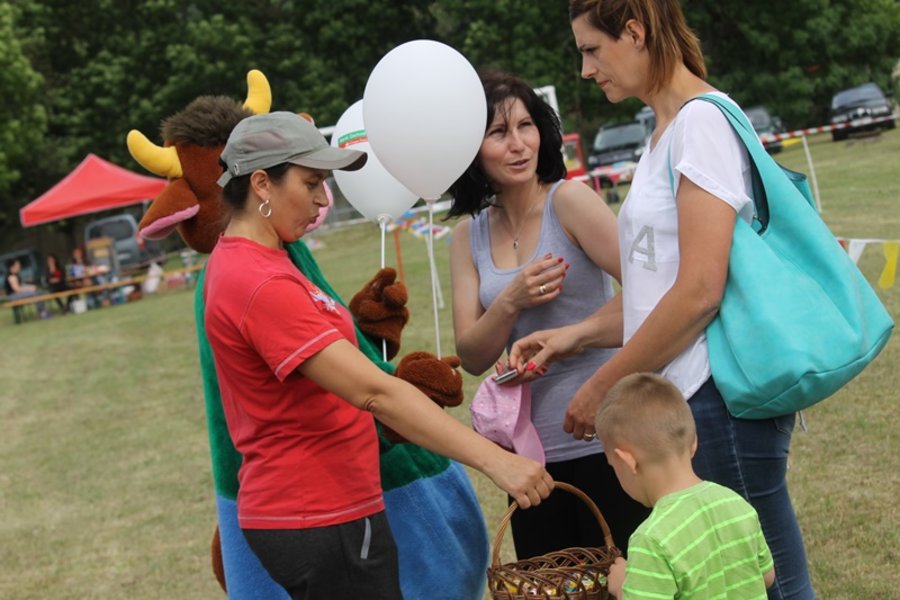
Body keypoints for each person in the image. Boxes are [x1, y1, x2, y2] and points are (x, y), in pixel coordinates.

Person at [508, 2, 816, 598]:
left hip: (717, 400)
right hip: (697, 400)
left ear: (635, 33)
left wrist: (604, 385)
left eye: (592, 49)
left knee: (770, 587)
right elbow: (659, 292)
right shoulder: (666, 133)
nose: (584, 69)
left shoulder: (699, 124)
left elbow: (700, 291)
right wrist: (576, 335)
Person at [203, 110, 553, 599]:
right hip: (320, 512)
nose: (324, 199)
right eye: (311, 183)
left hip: (324, 509)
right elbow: (373, 392)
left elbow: (316, 369)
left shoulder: (260, 259)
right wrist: (498, 462)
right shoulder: (258, 279)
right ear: (262, 183)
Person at [447, 70, 648, 559]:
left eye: (526, 126)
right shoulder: (466, 236)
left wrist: (574, 335)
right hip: (528, 461)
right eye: (498, 133)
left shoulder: (571, 202)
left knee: (630, 583)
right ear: (472, 150)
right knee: (553, 589)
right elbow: (471, 354)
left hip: (608, 436)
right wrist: (511, 300)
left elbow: (651, 298)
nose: (518, 144)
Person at [596, 373, 775, 599]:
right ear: (693, 443)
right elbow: (766, 576)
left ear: (626, 461)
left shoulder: (650, 539)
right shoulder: (735, 503)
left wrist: (623, 587)